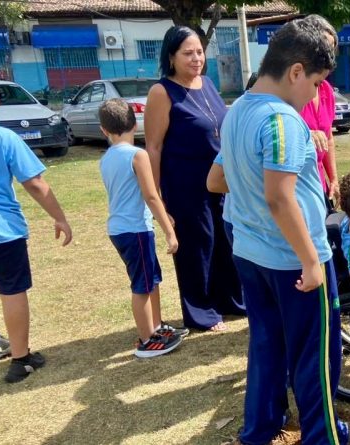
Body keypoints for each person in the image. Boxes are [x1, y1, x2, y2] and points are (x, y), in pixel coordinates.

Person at [219, 17, 350, 444]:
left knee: (267, 348)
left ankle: (258, 432)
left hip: (251, 254)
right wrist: (311, 262)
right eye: (317, 83)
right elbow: (279, 198)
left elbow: (216, 180)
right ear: (296, 71)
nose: (317, 94)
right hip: (294, 263)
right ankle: (322, 437)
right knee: (316, 358)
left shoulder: (236, 110)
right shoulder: (283, 121)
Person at [144, 26, 244, 332]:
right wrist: (156, 194)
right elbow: (154, 146)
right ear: (171, 57)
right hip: (184, 184)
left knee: (225, 242)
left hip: (219, 179)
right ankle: (201, 310)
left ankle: (230, 300)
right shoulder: (162, 91)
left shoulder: (208, 83)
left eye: (199, 51)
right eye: (188, 53)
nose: (196, 58)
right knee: (196, 247)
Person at [0, 87, 72, 382]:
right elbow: (35, 183)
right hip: (2, 231)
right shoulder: (4, 138)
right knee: (12, 291)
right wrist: (60, 217)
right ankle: (20, 358)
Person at [98, 99, 187, 358]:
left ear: (104, 130)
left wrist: (162, 216)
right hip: (134, 229)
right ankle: (147, 340)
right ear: (134, 123)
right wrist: (169, 231)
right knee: (142, 284)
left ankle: (156, 327)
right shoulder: (138, 155)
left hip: (121, 228)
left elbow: (133, 195)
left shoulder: (106, 159)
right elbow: (151, 195)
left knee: (151, 278)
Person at [300, 15, 340, 210]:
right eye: (323, 46)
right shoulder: (291, 90)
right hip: (295, 184)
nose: (327, 54)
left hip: (318, 183)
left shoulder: (326, 90)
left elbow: (328, 137)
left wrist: (333, 178)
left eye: (332, 48)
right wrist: (307, 134)